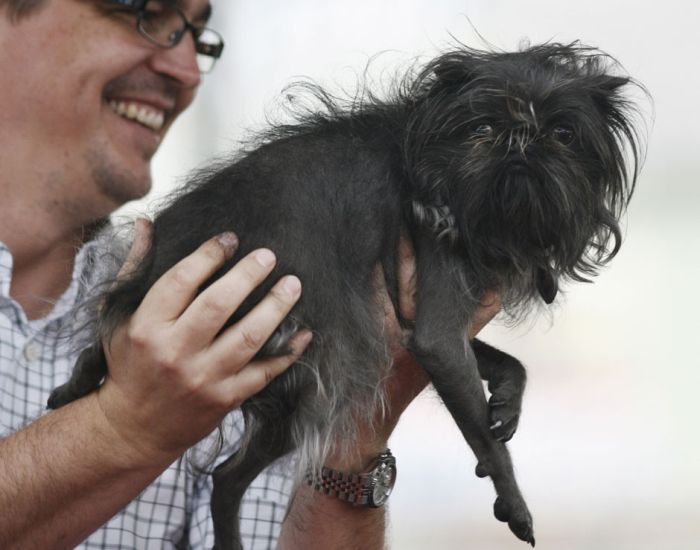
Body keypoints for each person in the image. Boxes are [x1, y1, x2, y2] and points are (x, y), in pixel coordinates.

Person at [0, 1, 500, 548]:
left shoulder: (228, 306)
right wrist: (123, 426)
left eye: (196, 36)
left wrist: (353, 437)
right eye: (143, 12)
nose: (187, 69)